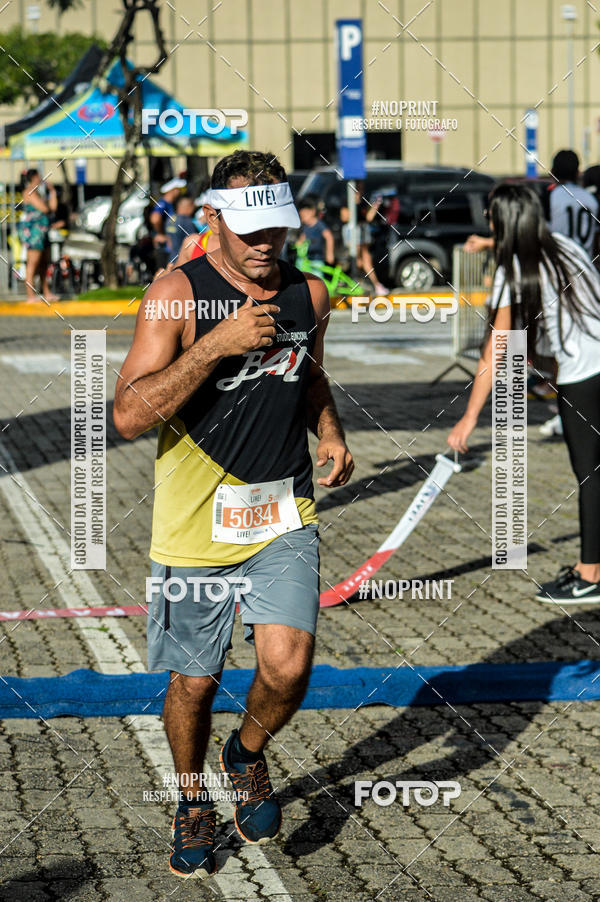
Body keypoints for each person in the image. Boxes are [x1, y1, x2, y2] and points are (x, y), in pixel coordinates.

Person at [113, 149, 354, 879]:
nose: (264, 244)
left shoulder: (309, 295)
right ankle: (191, 799)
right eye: (249, 228)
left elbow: (308, 374)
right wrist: (214, 345)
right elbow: (127, 414)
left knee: (288, 667)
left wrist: (332, 430)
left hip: (281, 511)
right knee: (193, 681)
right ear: (212, 218)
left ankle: (244, 754)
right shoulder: (175, 294)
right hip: (194, 524)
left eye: (276, 228)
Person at [448, 183, 600, 604]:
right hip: (592, 365)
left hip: (585, 373)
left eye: (492, 217)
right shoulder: (564, 246)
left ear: (502, 221)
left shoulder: (512, 268)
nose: (489, 223)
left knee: (590, 475)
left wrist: (469, 417)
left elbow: (495, 350)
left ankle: (590, 576)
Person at [17, 169, 59, 302]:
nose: (41, 178)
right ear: (33, 177)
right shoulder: (29, 192)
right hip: (34, 232)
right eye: (39, 176)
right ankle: (31, 295)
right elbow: (45, 209)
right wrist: (46, 201)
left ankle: (47, 292)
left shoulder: (39, 193)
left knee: (44, 264)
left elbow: (53, 207)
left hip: (43, 231)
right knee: (32, 263)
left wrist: (52, 192)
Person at [549, 149, 598, 258]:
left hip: (560, 267)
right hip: (586, 267)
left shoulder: (550, 198)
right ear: (577, 174)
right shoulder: (591, 199)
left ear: (552, 173)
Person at [340, 184, 388, 295]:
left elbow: (368, 218)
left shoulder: (363, 201)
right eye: (358, 189)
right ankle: (352, 282)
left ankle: (376, 285)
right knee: (355, 259)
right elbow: (344, 217)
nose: (360, 192)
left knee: (366, 260)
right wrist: (353, 205)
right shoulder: (346, 200)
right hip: (352, 230)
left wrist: (376, 206)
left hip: (363, 229)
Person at [150, 177, 187, 268]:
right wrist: (160, 234)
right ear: (173, 190)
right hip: (164, 246)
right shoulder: (163, 203)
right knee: (163, 273)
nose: (180, 192)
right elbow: (154, 218)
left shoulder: (170, 204)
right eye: (179, 189)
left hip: (170, 246)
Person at [297, 197, 335, 265]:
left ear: (313, 211)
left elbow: (329, 237)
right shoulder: (305, 226)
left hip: (317, 259)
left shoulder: (319, 224)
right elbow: (302, 238)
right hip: (307, 258)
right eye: (301, 217)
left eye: (305, 215)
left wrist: (329, 254)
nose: (303, 219)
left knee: (316, 275)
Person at [165, 194, 198, 261]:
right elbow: (194, 243)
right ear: (188, 207)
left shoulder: (170, 219)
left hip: (172, 259)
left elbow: (169, 242)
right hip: (184, 261)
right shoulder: (187, 222)